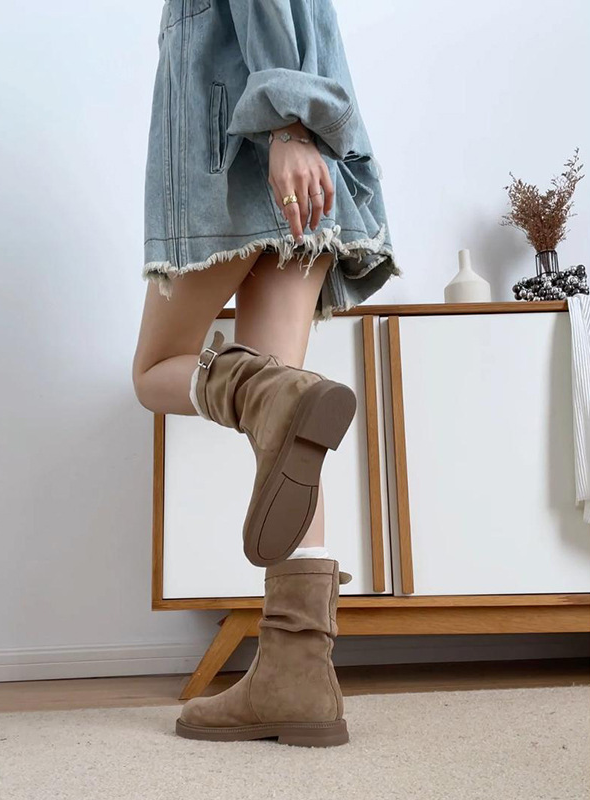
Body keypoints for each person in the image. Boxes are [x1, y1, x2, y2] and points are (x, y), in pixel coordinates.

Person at [133, 0, 398, 747]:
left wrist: (287, 127)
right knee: (283, 425)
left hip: (238, 170)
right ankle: (297, 671)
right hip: (312, 176)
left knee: (157, 373)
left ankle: (266, 392)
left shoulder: (279, 132)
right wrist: (298, 131)